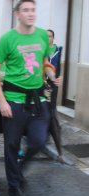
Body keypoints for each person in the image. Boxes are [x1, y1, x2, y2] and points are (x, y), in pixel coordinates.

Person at [0, 0, 61, 196]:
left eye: (33, 10)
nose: (30, 13)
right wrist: (2, 101)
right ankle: (13, 184)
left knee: (39, 141)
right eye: (26, 10)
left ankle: (18, 170)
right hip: (13, 100)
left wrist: (51, 75)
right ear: (17, 14)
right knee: (12, 145)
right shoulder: (7, 39)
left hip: (38, 99)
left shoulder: (41, 35)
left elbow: (45, 62)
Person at [46, 29, 63, 161]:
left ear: (53, 38)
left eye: (50, 36)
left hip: (53, 83)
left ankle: (54, 127)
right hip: (42, 83)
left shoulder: (58, 50)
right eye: (46, 36)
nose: (48, 38)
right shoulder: (42, 50)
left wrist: (59, 77)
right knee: (45, 108)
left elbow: (59, 66)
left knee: (51, 108)